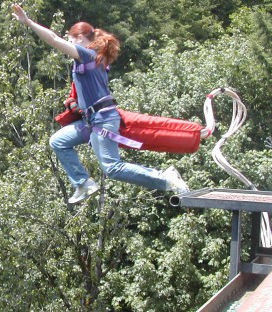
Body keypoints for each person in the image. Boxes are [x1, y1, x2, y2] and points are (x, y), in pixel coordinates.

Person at [12, 4, 189, 204]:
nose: (68, 44)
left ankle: (166, 179)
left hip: (103, 120)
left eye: (70, 39)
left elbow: (53, 39)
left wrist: (27, 22)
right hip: (92, 121)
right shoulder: (96, 59)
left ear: (79, 39)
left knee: (113, 167)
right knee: (58, 141)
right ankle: (83, 183)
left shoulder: (88, 55)